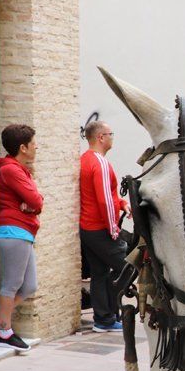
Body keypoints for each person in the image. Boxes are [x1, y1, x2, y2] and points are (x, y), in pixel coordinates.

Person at [0, 124, 42, 351]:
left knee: (29, 286)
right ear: (23, 148)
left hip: (23, 232)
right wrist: (31, 205)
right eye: (34, 144)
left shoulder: (18, 169)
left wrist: (32, 204)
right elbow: (37, 201)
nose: (36, 147)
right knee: (11, 285)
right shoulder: (11, 170)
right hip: (13, 232)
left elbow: (34, 201)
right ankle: (4, 332)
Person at [79, 120, 131, 332]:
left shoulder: (86, 160)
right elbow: (103, 201)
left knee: (99, 272)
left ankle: (104, 320)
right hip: (100, 229)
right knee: (130, 265)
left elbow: (108, 197)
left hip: (88, 229)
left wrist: (123, 204)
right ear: (101, 137)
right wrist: (113, 229)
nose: (112, 137)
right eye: (110, 133)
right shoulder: (98, 162)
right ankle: (110, 313)